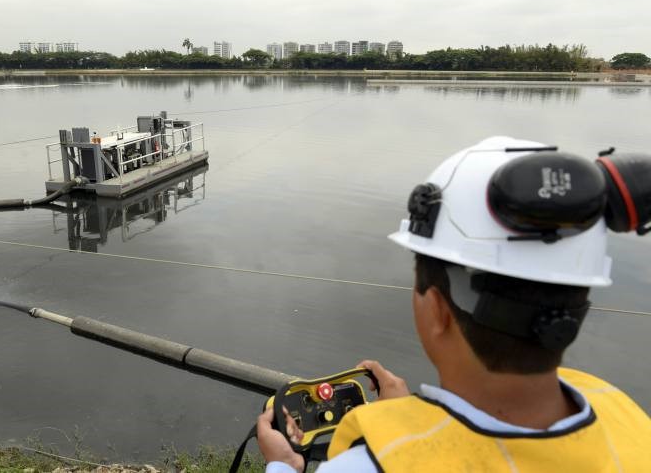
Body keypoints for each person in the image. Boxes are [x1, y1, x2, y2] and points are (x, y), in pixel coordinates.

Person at [257, 136, 651, 472]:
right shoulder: (625, 414)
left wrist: (282, 466)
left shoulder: (371, 463)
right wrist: (409, 414)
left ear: (436, 310)